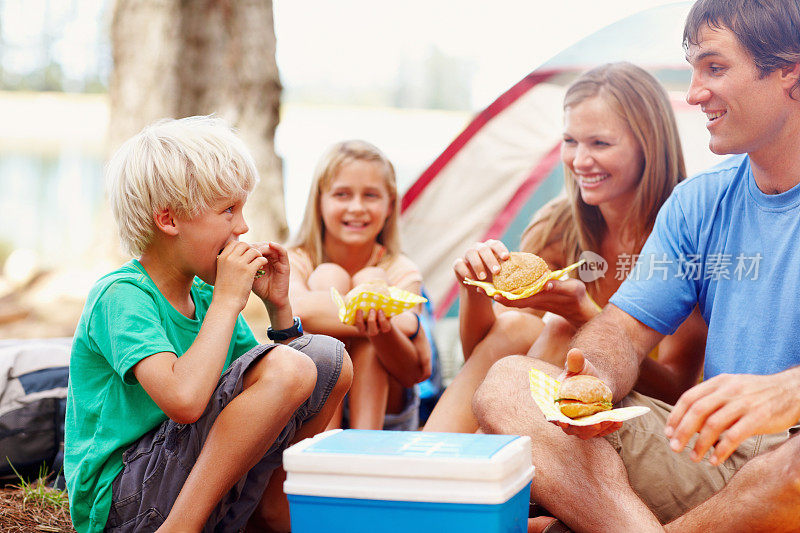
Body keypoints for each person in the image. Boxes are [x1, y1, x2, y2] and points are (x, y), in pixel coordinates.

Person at [474, 0, 800, 531]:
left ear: (790, 69)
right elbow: (622, 334)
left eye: (715, 68)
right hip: (709, 454)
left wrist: (788, 391)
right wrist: (595, 377)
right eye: (694, 71)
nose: (695, 94)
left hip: (787, 466)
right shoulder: (699, 203)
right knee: (510, 385)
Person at [64, 116, 353, 533]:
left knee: (330, 360)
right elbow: (184, 400)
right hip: (122, 498)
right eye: (228, 210)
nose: (243, 226)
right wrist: (227, 301)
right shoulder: (121, 297)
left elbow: (277, 388)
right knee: (292, 366)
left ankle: (269, 515)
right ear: (169, 220)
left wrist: (279, 308)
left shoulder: (203, 296)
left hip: (176, 476)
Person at [424, 62, 707, 433]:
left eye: (600, 143)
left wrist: (583, 316)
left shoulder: (686, 232)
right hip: (546, 406)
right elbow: (483, 351)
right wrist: (476, 288)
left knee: (561, 330)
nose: (579, 160)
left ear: (648, 145)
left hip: (638, 414)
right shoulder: (557, 226)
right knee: (516, 327)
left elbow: (676, 389)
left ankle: (476, 459)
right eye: (570, 141)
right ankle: (442, 457)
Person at [287, 140, 431, 430]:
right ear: (319, 201)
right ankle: (326, 439)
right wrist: (401, 321)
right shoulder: (296, 260)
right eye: (342, 194)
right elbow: (302, 312)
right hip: (309, 408)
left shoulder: (401, 269)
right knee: (330, 276)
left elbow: (415, 370)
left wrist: (380, 325)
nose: (357, 207)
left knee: (371, 286)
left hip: (386, 414)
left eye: (370, 195)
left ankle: (361, 449)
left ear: (390, 204)